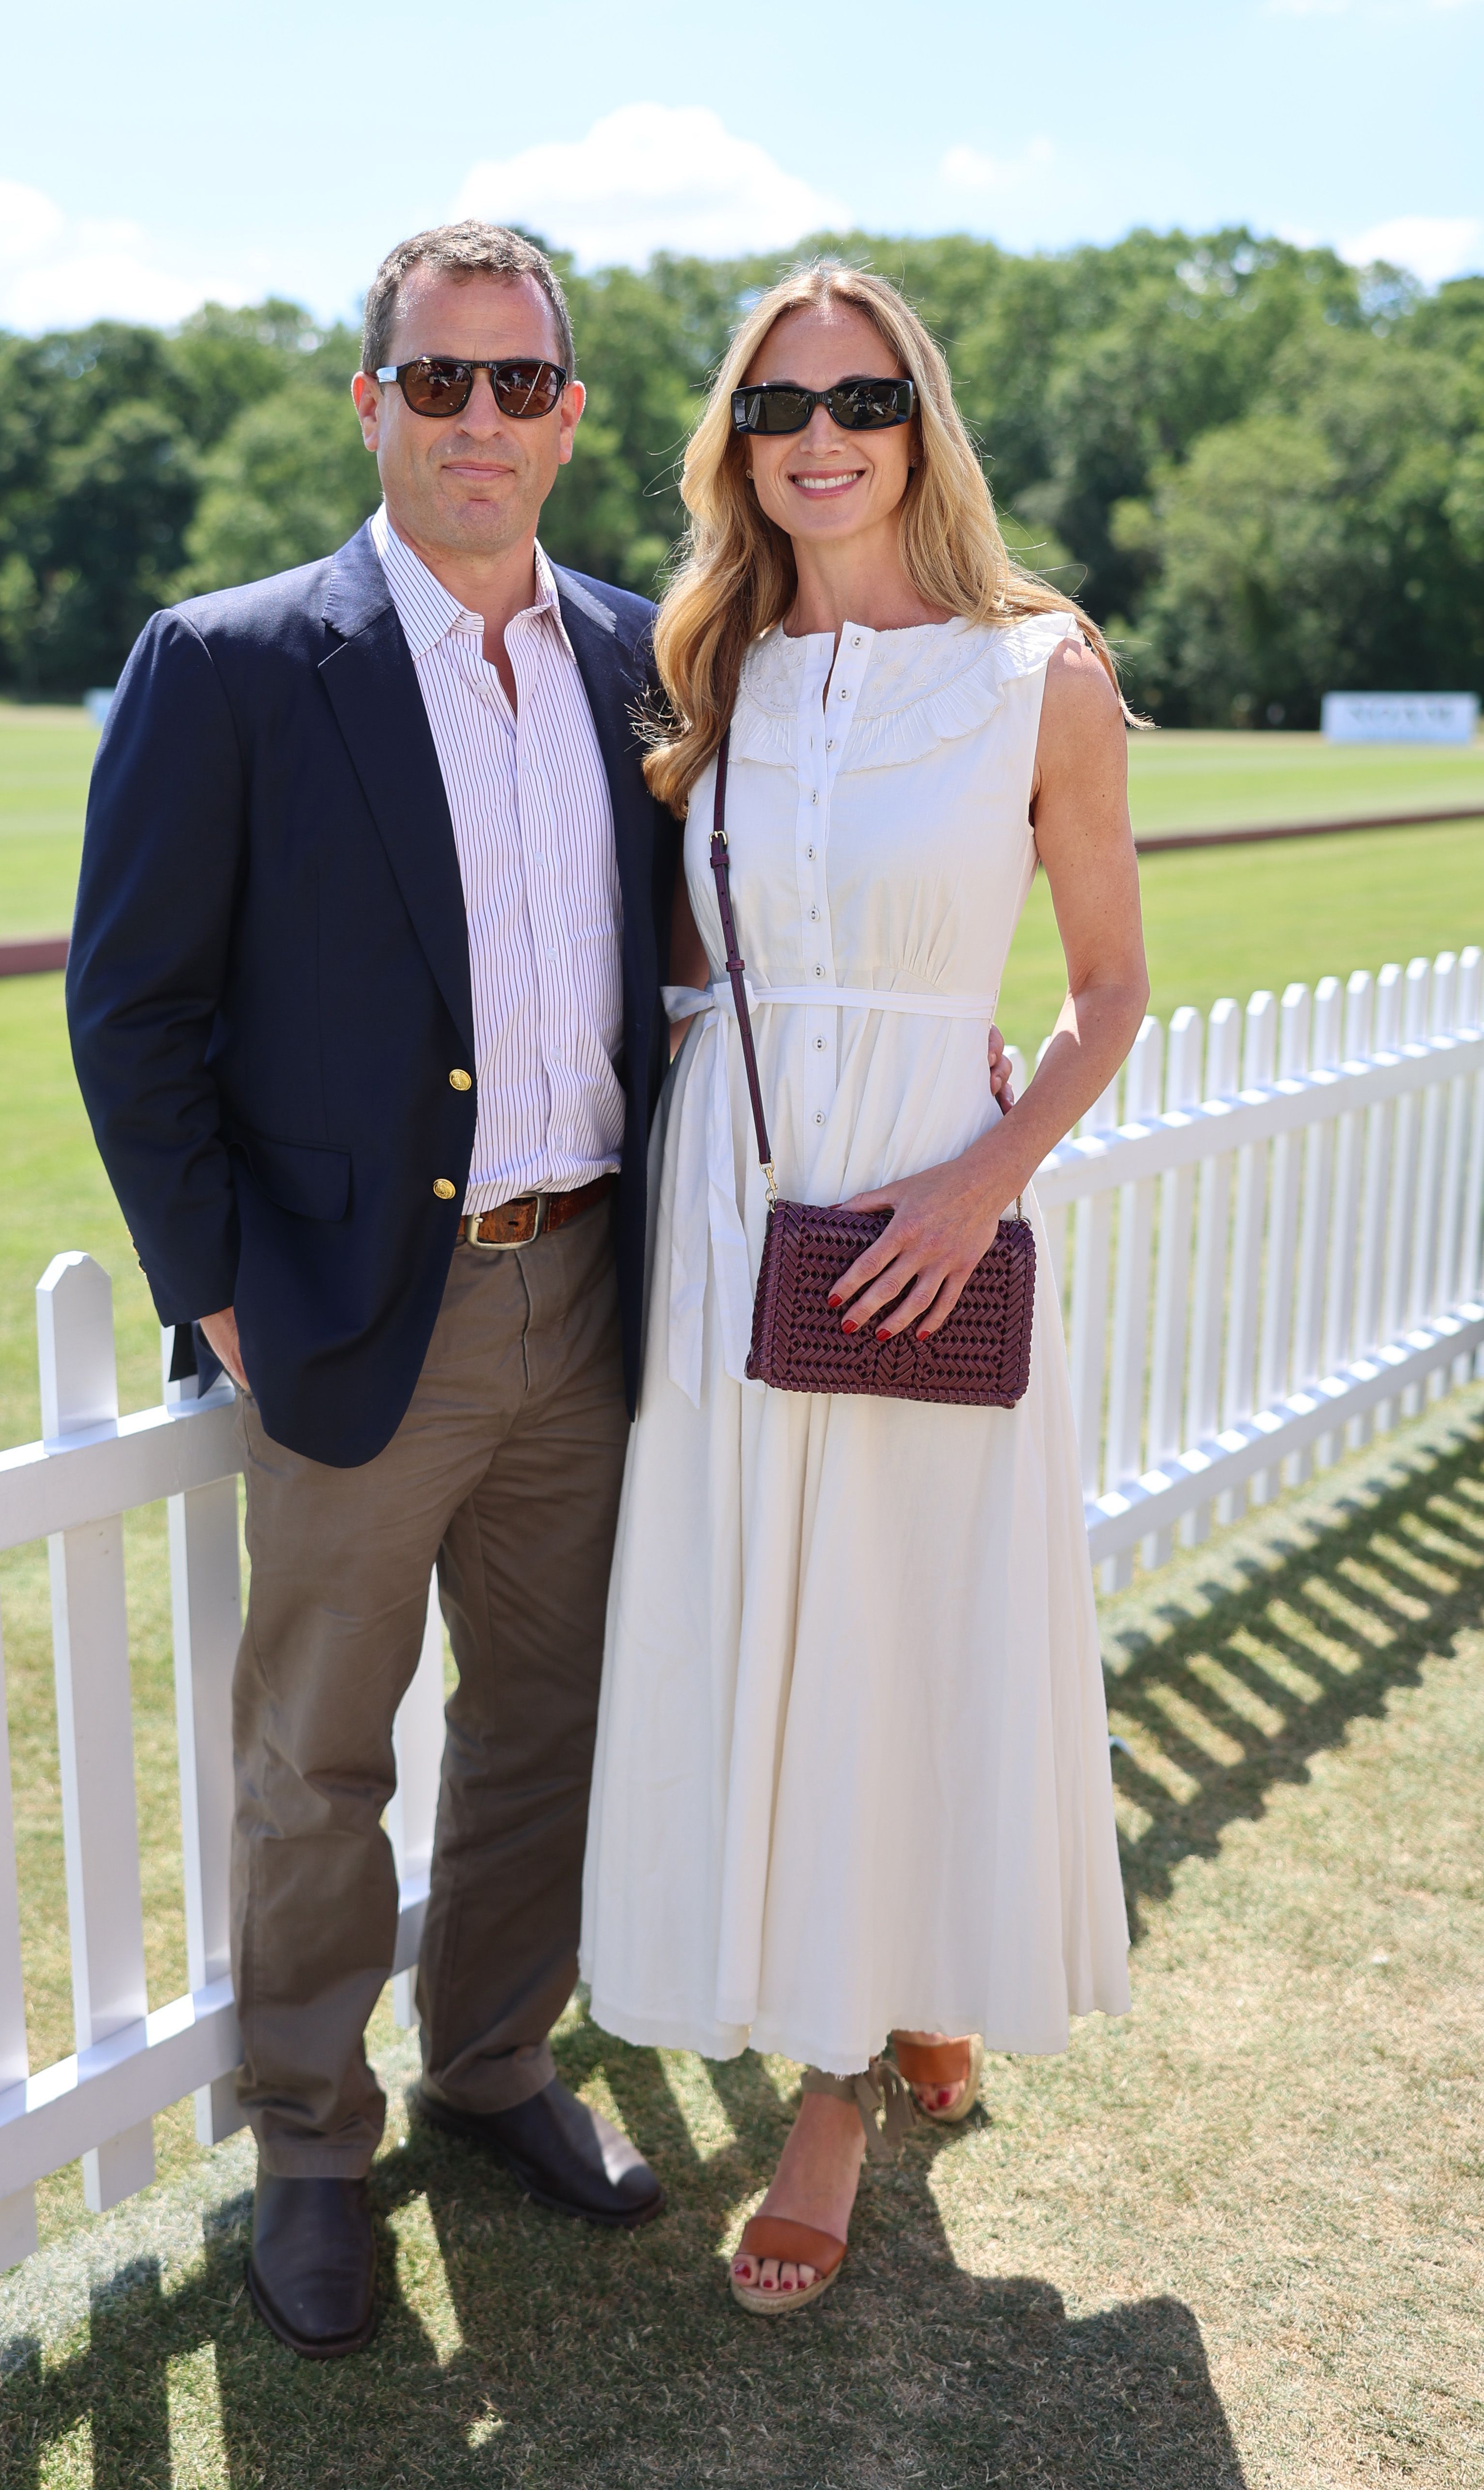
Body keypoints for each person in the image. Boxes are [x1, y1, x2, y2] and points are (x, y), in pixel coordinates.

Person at [67, 223, 688, 2360]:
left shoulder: (634, 655)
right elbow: (132, 1010)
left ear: (573, 415)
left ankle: (494, 2064)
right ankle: (310, 2149)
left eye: (523, 385)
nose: (483, 424)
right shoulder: (232, 662)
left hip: (586, 1284)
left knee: (547, 1722)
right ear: (373, 405)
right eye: (442, 384)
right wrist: (221, 1288)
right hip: (350, 1310)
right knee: (320, 1762)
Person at [580, 263, 1146, 2315]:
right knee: (769, 1622)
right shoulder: (709, 660)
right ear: (738, 443)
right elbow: (685, 966)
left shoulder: (1036, 672)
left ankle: (838, 2091)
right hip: (734, 1210)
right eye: (776, 406)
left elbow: (1107, 992)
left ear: (921, 424)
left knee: (898, 1622)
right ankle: (888, 1998)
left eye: (862, 396)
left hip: (921, 1214)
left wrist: (980, 1179)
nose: (819, 435)